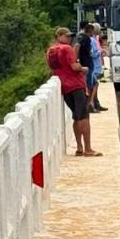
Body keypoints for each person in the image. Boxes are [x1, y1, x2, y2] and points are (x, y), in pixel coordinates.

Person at [46, 27, 101, 156]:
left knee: (76, 116)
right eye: (67, 36)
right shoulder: (67, 49)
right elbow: (74, 66)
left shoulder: (50, 51)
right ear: (59, 36)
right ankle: (88, 149)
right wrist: (84, 69)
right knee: (83, 116)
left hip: (64, 86)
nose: (69, 39)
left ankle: (79, 147)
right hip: (75, 85)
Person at [88, 23, 107, 111]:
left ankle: (96, 104)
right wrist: (100, 52)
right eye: (99, 29)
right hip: (93, 67)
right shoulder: (92, 40)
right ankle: (92, 104)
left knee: (95, 85)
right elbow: (92, 53)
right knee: (94, 85)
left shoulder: (95, 39)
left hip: (96, 66)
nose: (100, 30)